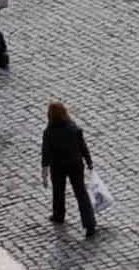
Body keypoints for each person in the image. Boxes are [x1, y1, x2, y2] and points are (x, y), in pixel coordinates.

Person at [39, 102, 100, 238]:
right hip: (75, 164)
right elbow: (83, 147)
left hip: (58, 166)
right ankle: (89, 223)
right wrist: (89, 162)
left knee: (58, 191)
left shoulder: (49, 132)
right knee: (81, 193)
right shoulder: (73, 128)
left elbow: (46, 153)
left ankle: (58, 215)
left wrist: (44, 174)